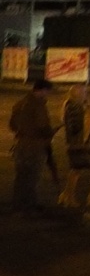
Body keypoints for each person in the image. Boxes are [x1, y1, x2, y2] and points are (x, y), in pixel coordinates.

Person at [9, 77, 55, 210]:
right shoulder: (38, 105)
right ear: (42, 90)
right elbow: (42, 126)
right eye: (47, 91)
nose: (48, 94)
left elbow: (12, 125)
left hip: (20, 144)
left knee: (21, 175)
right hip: (35, 145)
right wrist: (50, 133)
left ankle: (18, 202)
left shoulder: (20, 103)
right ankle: (30, 203)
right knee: (32, 175)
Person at [56, 78, 90, 207]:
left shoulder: (71, 106)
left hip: (74, 143)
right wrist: (87, 113)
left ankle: (65, 195)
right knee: (75, 172)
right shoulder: (75, 108)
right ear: (77, 94)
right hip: (78, 143)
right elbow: (77, 126)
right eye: (84, 92)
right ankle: (70, 198)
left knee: (74, 171)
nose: (86, 95)